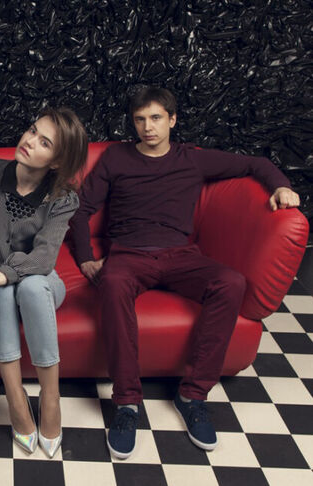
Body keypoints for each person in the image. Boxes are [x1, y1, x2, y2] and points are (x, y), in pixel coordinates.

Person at [69, 86, 300, 459]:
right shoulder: (116, 157)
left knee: (231, 282)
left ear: (172, 120)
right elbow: (81, 210)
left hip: (180, 255)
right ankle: (127, 402)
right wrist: (85, 258)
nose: (148, 127)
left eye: (156, 118)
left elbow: (255, 164)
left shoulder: (192, 159)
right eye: (140, 119)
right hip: (129, 254)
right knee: (111, 282)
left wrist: (282, 187)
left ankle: (193, 395)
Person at [0, 107, 88, 457]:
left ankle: (51, 399)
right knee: (0, 292)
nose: (29, 141)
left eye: (45, 143)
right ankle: (15, 399)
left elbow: (44, 259)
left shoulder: (63, 198)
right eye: (32, 130)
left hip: (41, 280)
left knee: (28, 286)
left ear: (57, 161)